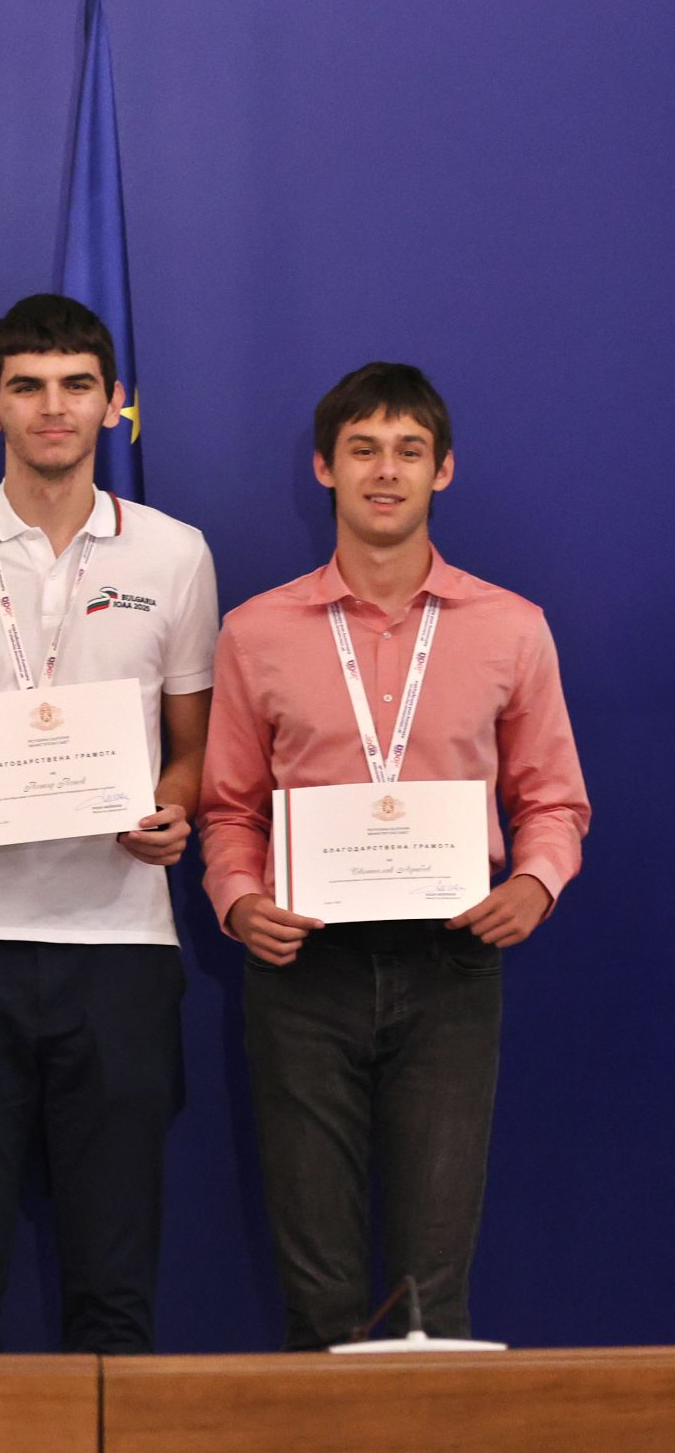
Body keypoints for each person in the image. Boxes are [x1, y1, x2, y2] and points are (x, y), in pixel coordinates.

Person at [200, 363, 587, 1349]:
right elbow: (228, 808)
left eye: (408, 451)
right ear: (323, 467)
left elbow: (553, 797)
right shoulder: (254, 632)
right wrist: (239, 900)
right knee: (319, 1291)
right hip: (302, 968)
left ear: (441, 470)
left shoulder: (512, 628)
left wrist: (534, 883)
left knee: (431, 1291)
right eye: (363, 449)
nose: (385, 471)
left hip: (449, 963)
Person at [0, 295, 216, 1355]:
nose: (52, 408)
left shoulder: (175, 556)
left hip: (119, 949)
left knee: (114, 1287)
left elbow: (191, 752)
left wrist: (174, 810)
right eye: (27, 387)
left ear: (113, 403)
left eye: (76, 385)